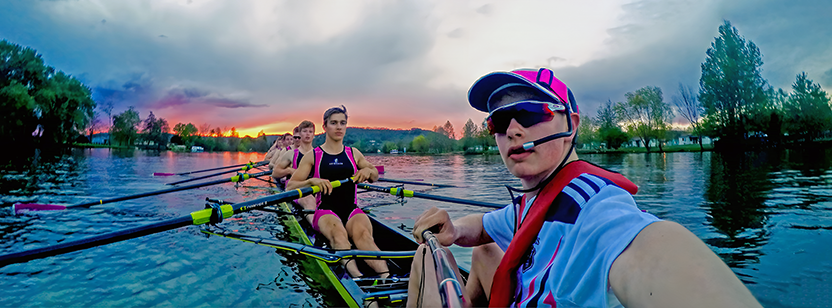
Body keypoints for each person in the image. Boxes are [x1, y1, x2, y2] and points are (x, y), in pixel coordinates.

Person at [406, 68, 761, 307]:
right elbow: (485, 226)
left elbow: (645, 247)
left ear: (571, 125)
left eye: (529, 114)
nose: (512, 130)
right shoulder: (532, 202)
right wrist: (453, 229)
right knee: (475, 250)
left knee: (426, 261)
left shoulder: (596, 206)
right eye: (498, 121)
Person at [287, 105, 389, 278]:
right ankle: (357, 278)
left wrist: (367, 171)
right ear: (325, 127)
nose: (339, 127)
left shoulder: (353, 153)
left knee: (364, 236)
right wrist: (311, 181)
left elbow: (375, 175)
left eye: (342, 123)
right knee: (338, 235)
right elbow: (290, 186)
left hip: (351, 209)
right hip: (325, 210)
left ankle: (386, 276)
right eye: (334, 123)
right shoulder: (313, 155)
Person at [273, 121, 318, 223]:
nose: (307, 134)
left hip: (314, 188)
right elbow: (275, 173)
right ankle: (316, 226)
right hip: (296, 188)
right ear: (300, 134)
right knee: (309, 200)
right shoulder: (291, 154)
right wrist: (289, 170)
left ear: (313, 135)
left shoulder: (319, 153)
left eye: (310, 132)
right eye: (305, 131)